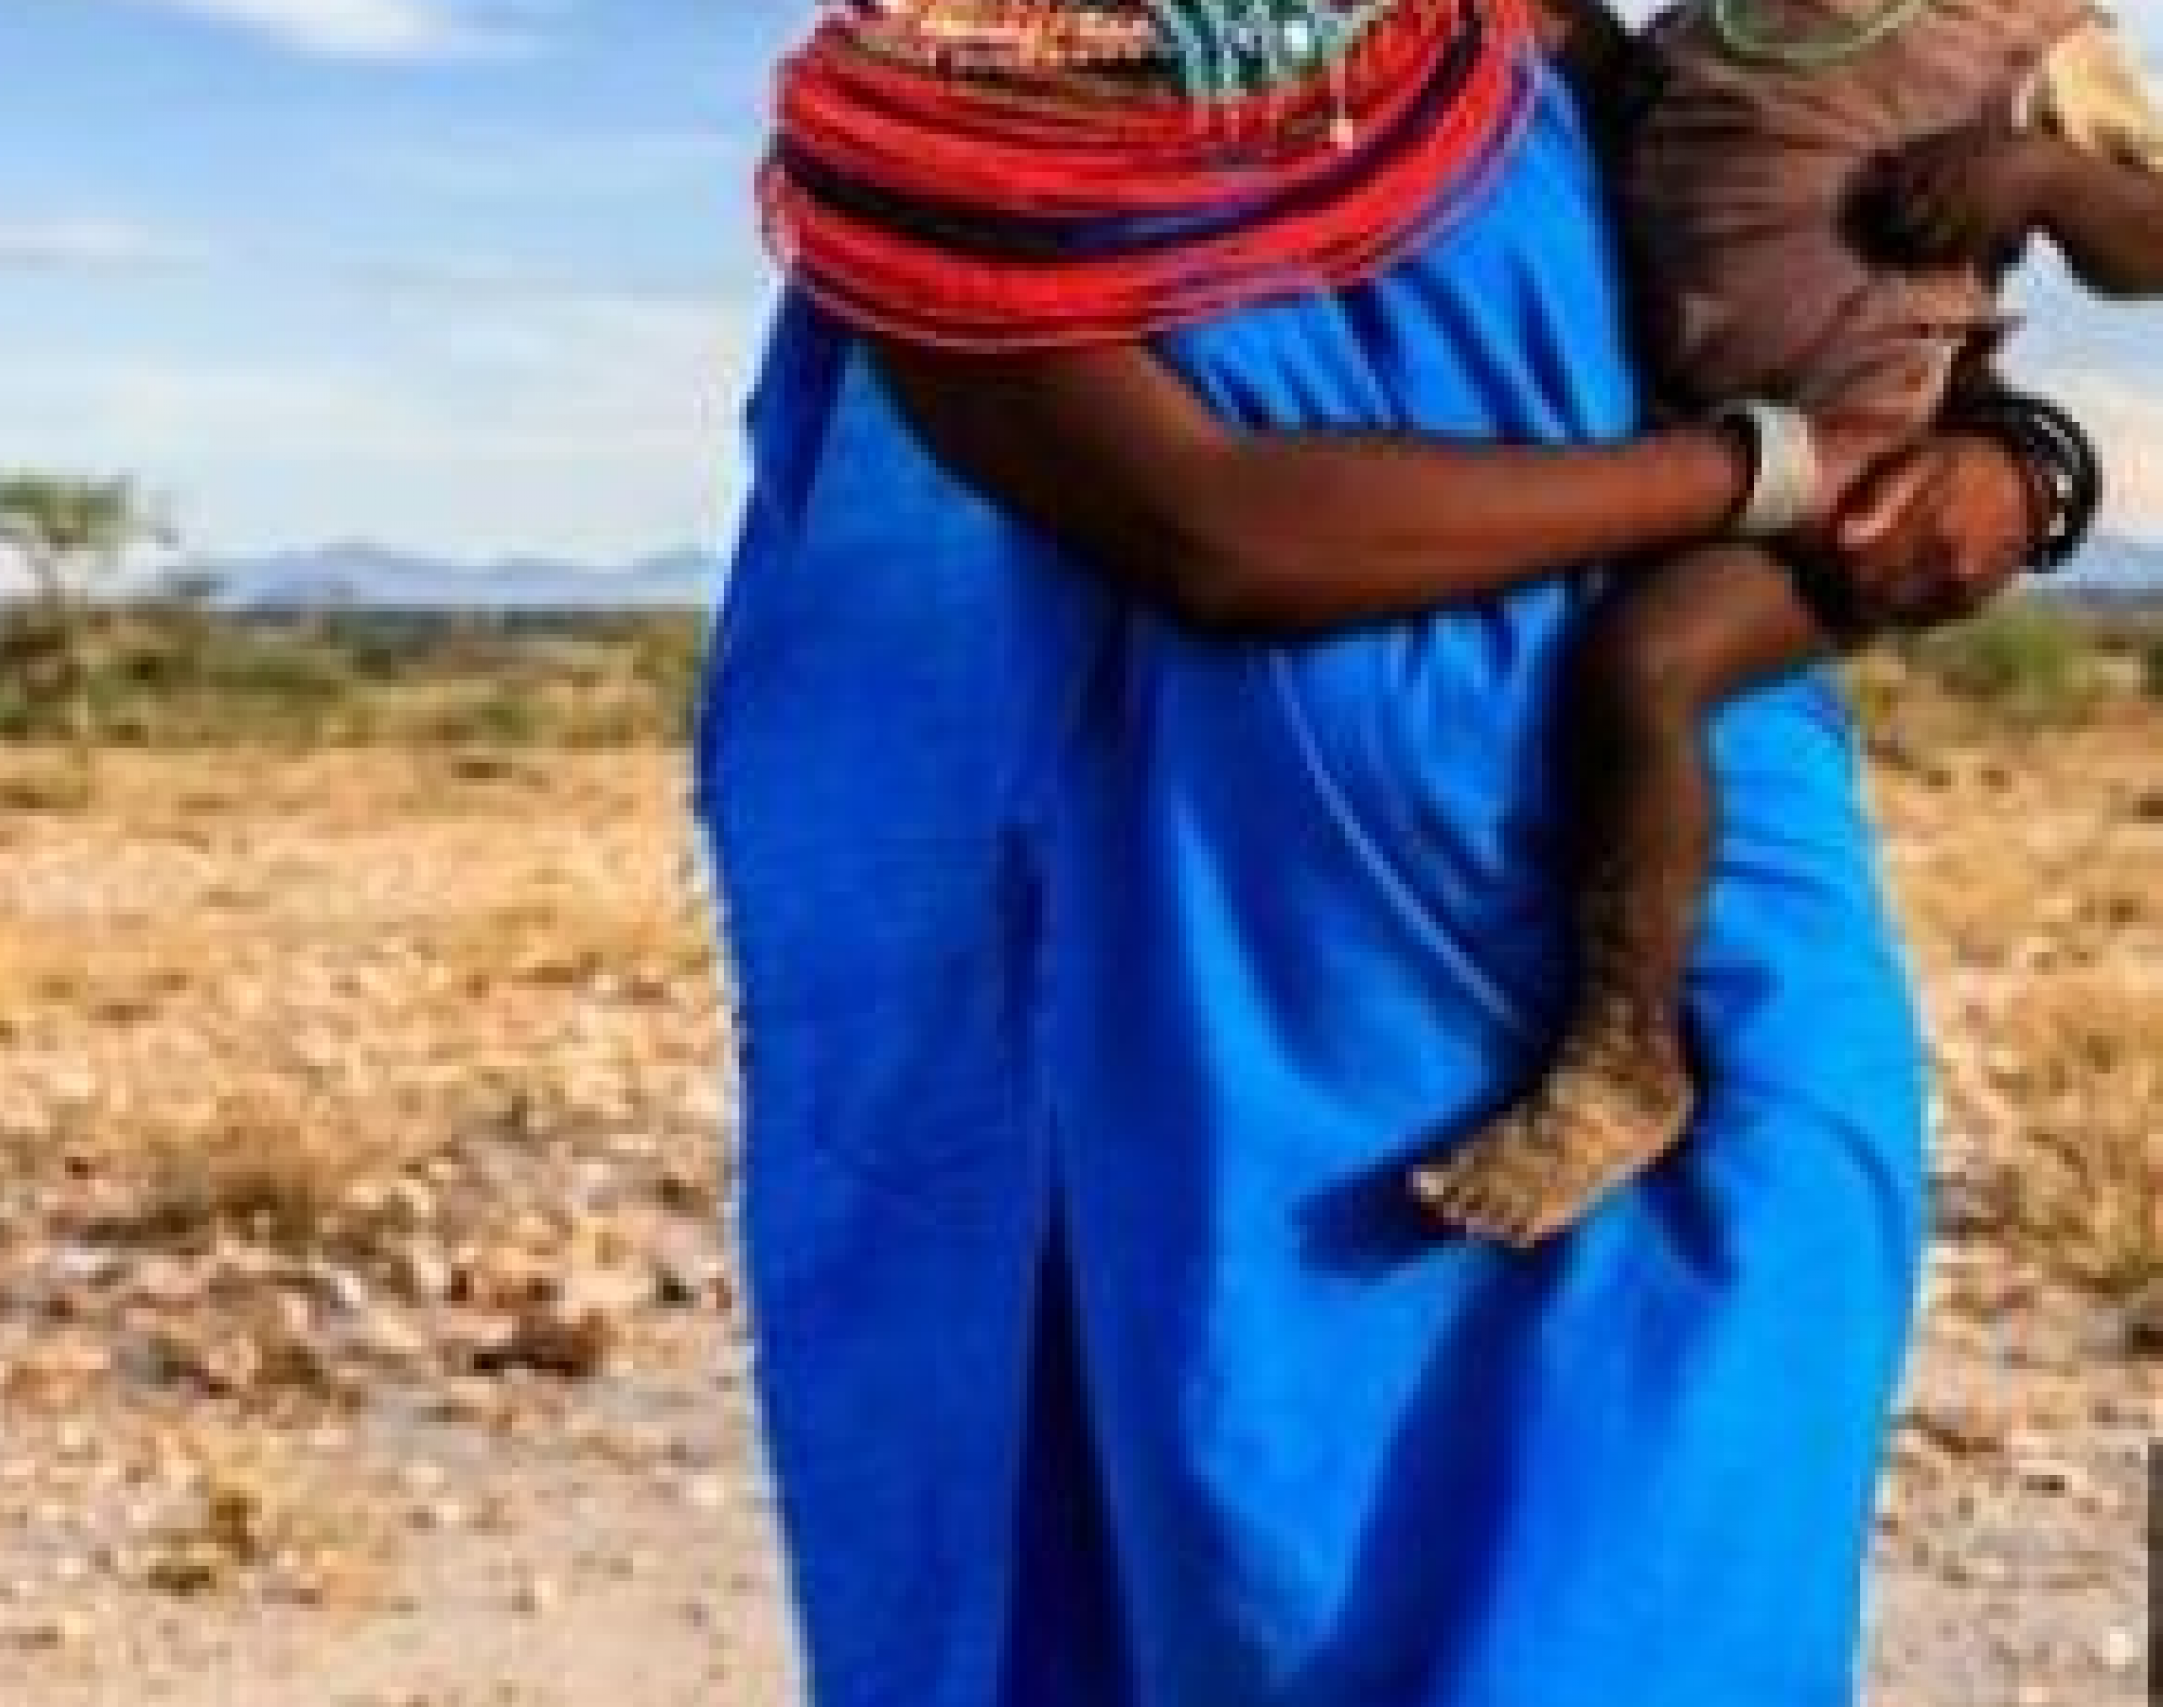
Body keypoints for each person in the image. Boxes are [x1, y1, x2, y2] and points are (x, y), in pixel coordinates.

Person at [701, 1, 2051, 1700]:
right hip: (1271, 1032)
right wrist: (1749, 472)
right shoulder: (928, 151)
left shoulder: (1517, 26)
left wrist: (2023, 461)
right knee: (1287, 1604)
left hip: (1717, 957)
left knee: (1691, 1587)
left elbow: (1806, 277)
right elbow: (1219, 531)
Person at [1416, 0, 2163, 1248]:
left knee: (1647, 666)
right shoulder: (1716, 29)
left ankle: (1626, 1054)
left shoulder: (2018, 42)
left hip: (1859, 486)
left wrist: (2041, 179)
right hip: (1671, 451)